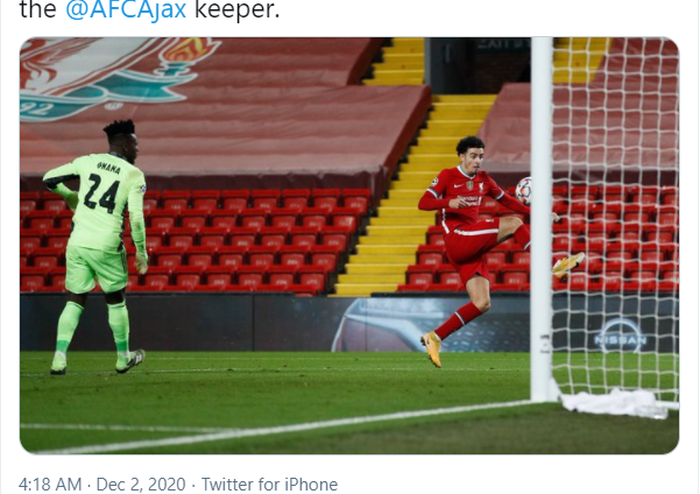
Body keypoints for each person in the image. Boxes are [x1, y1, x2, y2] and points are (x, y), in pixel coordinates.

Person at [417, 136, 584, 368]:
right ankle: (555, 264)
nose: (477, 161)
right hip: (458, 238)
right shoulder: (447, 176)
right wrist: (448, 202)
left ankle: (435, 337)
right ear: (462, 156)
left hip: (471, 247)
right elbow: (423, 202)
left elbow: (508, 201)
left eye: (481, 157)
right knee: (514, 223)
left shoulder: (484, 180)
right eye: (473, 156)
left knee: (482, 302)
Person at [43, 119, 149, 375]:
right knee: (115, 299)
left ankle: (59, 358)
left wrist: (70, 195)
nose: (137, 150)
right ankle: (123, 358)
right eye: (135, 145)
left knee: (74, 300)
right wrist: (141, 252)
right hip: (106, 243)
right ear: (124, 145)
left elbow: (49, 178)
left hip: (78, 241)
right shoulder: (133, 174)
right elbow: (135, 217)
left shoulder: (87, 161)